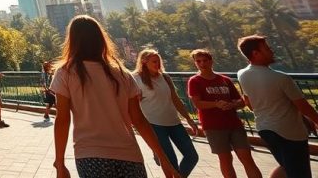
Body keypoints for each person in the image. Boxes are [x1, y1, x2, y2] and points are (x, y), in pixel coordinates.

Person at [50, 15, 178, 178]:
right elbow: (138, 120)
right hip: (130, 155)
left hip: (91, 156)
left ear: (72, 41)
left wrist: (60, 163)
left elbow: (62, 119)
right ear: (101, 40)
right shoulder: (122, 74)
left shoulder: (65, 73)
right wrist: (163, 157)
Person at [236, 35, 318, 178]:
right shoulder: (281, 78)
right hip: (289, 132)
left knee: (287, 167)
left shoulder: (242, 74)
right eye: (267, 48)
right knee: (299, 172)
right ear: (256, 53)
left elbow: (249, 102)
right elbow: (303, 106)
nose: (271, 51)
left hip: (265, 129)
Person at [187, 49, 262, 178]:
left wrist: (232, 105)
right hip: (213, 126)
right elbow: (197, 103)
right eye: (198, 61)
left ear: (211, 61)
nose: (202, 64)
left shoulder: (225, 80)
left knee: (246, 157)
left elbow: (241, 101)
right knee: (225, 159)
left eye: (205, 60)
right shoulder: (195, 81)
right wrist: (216, 104)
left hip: (234, 123)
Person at [132, 49, 200, 178]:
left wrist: (189, 119)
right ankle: (158, 154)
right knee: (170, 161)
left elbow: (175, 99)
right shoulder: (136, 79)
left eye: (158, 61)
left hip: (174, 122)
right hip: (154, 124)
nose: (157, 64)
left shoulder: (165, 77)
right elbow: (133, 103)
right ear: (144, 63)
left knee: (192, 156)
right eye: (154, 62)